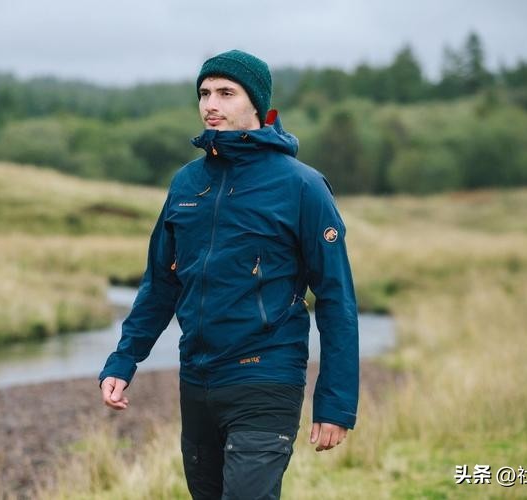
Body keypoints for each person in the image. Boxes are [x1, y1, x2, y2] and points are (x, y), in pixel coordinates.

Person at [99, 49, 359, 499]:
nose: (210, 105)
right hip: (197, 379)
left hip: (266, 376)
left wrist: (335, 402)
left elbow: (336, 299)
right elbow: (161, 283)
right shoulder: (187, 183)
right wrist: (124, 359)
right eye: (204, 93)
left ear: (256, 103)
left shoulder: (301, 186)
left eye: (226, 93)